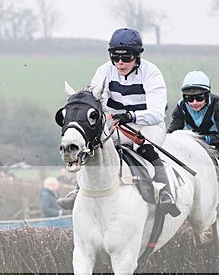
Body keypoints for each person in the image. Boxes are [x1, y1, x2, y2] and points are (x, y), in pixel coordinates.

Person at [58, 27, 179, 217]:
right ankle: (78, 190)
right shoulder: (104, 71)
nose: (120, 63)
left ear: (137, 56)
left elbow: (156, 113)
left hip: (148, 124)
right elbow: (98, 102)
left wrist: (130, 116)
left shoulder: (152, 73)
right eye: (115, 57)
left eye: (126, 58)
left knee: (144, 147)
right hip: (116, 123)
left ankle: (166, 193)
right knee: (95, 145)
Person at [167, 70, 219, 148]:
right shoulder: (181, 106)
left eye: (199, 97)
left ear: (207, 95)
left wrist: (202, 139)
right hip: (198, 145)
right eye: (189, 98)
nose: (194, 102)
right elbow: (172, 133)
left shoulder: (217, 105)